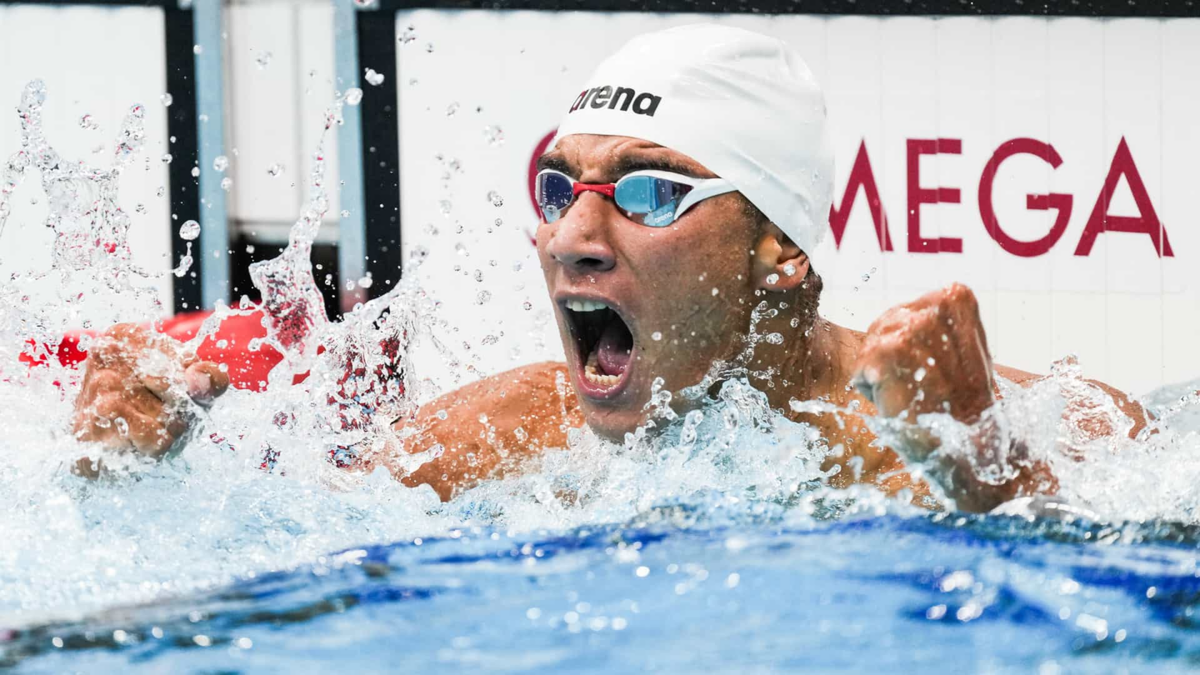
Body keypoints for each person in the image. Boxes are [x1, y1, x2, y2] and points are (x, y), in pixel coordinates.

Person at [70, 24, 1147, 513]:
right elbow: (294, 528)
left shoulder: (931, 425)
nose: (574, 236)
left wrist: (989, 466)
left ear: (781, 253)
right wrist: (134, 467)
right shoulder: (501, 439)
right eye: (561, 186)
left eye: (648, 191)